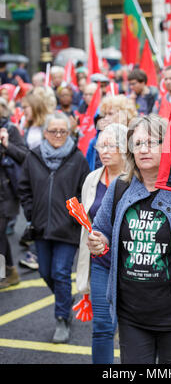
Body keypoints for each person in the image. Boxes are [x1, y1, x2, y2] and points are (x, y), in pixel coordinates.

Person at [87, 114, 171, 364]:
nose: (143, 149)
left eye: (151, 142)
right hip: (132, 314)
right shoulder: (120, 188)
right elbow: (101, 230)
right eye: (137, 144)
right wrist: (98, 242)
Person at [18, 111, 90, 343]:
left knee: (60, 272)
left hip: (67, 228)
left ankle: (62, 318)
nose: (58, 135)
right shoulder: (34, 156)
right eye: (53, 131)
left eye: (63, 131)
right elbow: (24, 187)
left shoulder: (77, 158)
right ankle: (64, 301)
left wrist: (74, 217)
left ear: (69, 132)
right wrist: (31, 212)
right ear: (45, 132)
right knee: (45, 272)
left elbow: (84, 191)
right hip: (40, 226)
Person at [76, 123, 128, 364]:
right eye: (101, 146)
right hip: (101, 262)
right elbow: (87, 223)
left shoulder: (135, 180)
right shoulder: (92, 179)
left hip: (132, 263)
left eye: (111, 146)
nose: (104, 151)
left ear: (125, 148)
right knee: (102, 326)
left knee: (132, 328)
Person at [0, 97, 28, 288]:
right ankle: (11, 270)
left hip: (6, 191)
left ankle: (3, 274)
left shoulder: (9, 129)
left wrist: (6, 145)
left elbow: (24, 155)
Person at [86, 95, 137, 171]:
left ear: (123, 115)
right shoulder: (95, 141)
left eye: (110, 114)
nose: (106, 118)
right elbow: (89, 169)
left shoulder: (135, 139)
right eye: (105, 114)